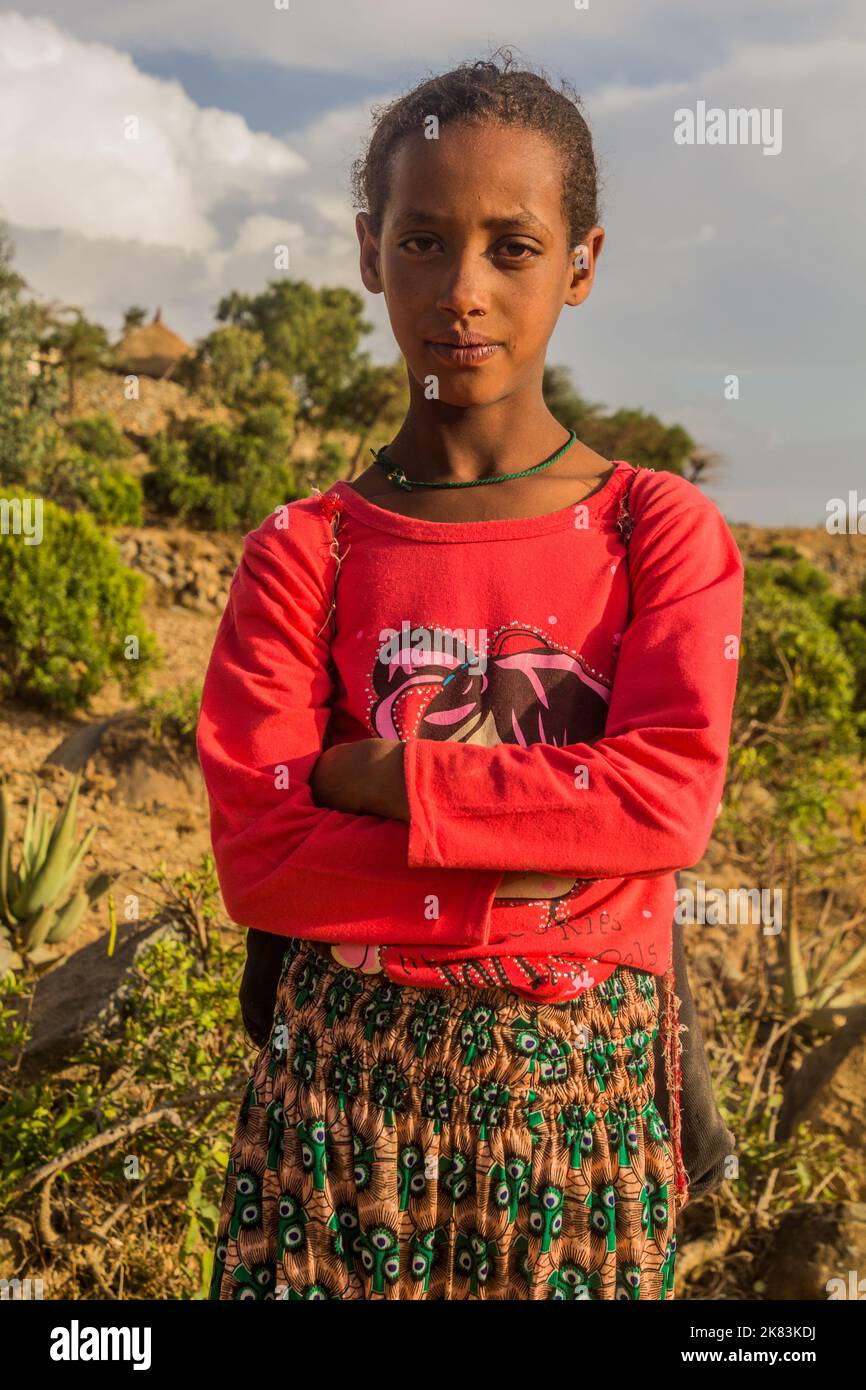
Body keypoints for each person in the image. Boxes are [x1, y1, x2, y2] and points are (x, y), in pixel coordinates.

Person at [198, 49, 744, 1301]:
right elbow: (263, 855)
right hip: (336, 1119)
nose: (462, 290)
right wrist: (558, 860)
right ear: (365, 251)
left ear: (581, 264)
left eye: (512, 245)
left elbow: (662, 805)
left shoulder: (655, 531)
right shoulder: (308, 548)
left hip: (581, 1125)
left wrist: (386, 773)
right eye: (424, 239)